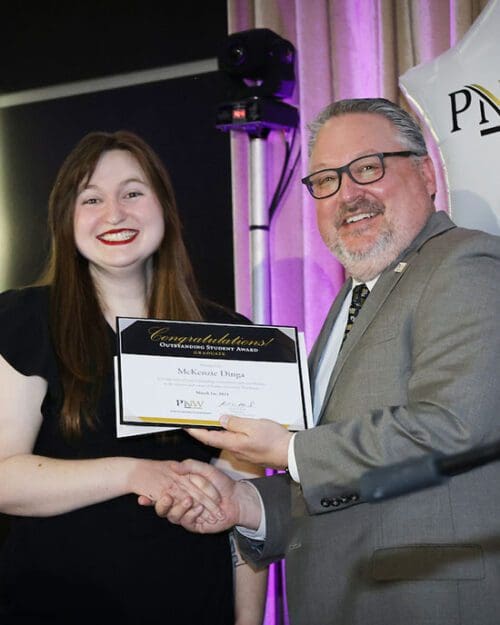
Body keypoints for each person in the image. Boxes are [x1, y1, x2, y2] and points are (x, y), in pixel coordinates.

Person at [154, 98, 500, 625]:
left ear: (426, 173)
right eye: (325, 180)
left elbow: (453, 425)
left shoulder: (464, 263)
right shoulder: (352, 299)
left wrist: (290, 448)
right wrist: (245, 504)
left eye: (367, 168)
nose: (348, 195)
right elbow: (358, 478)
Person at [0, 130, 267, 625]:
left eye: (132, 192)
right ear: (66, 219)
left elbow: (248, 504)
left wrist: (249, 621)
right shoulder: (24, 319)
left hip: (195, 606)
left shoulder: (229, 335)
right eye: (92, 198)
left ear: (163, 205)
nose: (115, 213)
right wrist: (134, 472)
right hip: (54, 606)